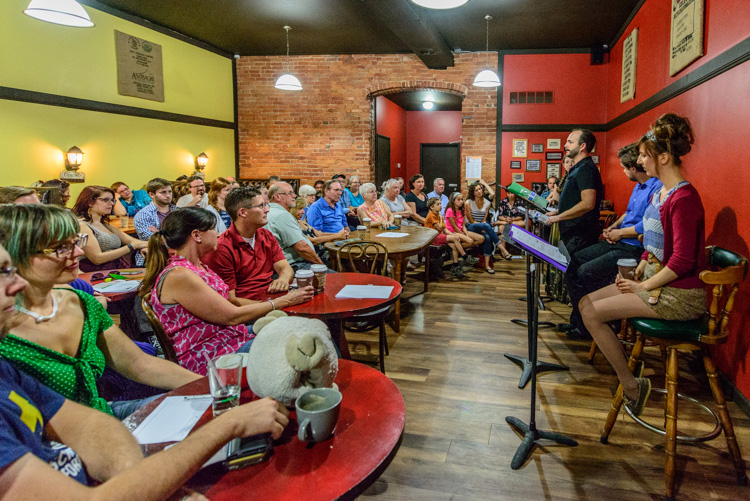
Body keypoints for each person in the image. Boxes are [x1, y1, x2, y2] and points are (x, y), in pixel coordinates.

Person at [0, 238, 290, 500]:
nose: (16, 284)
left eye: (77, 241)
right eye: (3, 272)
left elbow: (93, 421)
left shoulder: (77, 306)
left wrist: (143, 479)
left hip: (105, 419)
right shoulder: (8, 344)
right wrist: (229, 424)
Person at [0, 204, 199, 419]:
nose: (78, 252)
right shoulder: (6, 326)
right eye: (60, 247)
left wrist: (210, 386)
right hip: (47, 441)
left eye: (76, 242)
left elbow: (140, 364)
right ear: (14, 254)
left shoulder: (82, 302)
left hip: (100, 414)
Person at [579, 113, 705, 417]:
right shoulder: (661, 192)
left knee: (594, 314)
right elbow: (654, 239)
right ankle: (631, 375)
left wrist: (642, 285)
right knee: (585, 304)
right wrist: (643, 263)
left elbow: (683, 260)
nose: (640, 161)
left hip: (678, 295)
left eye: (645, 155)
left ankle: (632, 387)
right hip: (654, 281)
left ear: (663, 157)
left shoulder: (684, 198)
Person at [140, 207, 313, 375]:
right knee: (305, 341)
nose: (218, 234)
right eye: (213, 229)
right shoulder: (179, 274)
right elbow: (231, 316)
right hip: (209, 355)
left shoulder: (197, 266)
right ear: (196, 235)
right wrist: (283, 301)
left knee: (303, 330)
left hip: (230, 339)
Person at [565, 142, 663, 339]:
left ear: (633, 169)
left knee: (586, 272)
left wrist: (622, 233)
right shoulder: (638, 187)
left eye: (624, 167)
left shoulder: (656, 187)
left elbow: (649, 224)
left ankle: (597, 321)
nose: (624, 170)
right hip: (621, 240)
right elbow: (628, 213)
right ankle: (579, 320)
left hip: (634, 248)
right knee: (573, 261)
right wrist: (614, 227)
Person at [546, 129, 604, 338]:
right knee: (573, 279)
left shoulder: (587, 168)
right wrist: (558, 211)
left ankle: (585, 328)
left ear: (582, 146)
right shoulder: (578, 168)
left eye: (570, 141)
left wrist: (560, 217)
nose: (565, 144)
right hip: (572, 232)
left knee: (577, 278)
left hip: (580, 233)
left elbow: (588, 203)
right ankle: (577, 322)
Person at [203, 187, 297, 303]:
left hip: (272, 299)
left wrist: (283, 279)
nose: (267, 210)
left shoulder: (265, 235)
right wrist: (275, 305)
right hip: (250, 311)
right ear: (243, 212)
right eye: (261, 206)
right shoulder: (222, 248)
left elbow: (285, 267)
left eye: (266, 205)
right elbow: (230, 300)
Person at [73, 186, 148, 272]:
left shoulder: (105, 224)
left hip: (116, 269)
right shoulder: (82, 226)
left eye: (112, 200)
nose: (112, 204)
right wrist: (131, 247)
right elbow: (97, 259)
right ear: (90, 202)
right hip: (96, 273)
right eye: (106, 200)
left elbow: (133, 241)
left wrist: (158, 244)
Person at [267, 182, 325, 270]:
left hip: (288, 265)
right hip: (295, 265)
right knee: (336, 278)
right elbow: (302, 248)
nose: (294, 196)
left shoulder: (270, 211)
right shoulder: (282, 215)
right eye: (290, 193)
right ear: (278, 196)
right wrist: (321, 266)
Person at [424, 197, 477, 278]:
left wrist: (452, 235)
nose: (440, 206)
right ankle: (465, 256)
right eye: (438, 204)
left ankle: (455, 266)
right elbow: (439, 228)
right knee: (455, 239)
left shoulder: (438, 215)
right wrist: (441, 218)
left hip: (440, 236)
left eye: (440, 204)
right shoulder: (431, 215)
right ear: (432, 207)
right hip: (433, 237)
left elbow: (445, 229)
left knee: (454, 245)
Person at [444, 192, 486, 272]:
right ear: (453, 201)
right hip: (453, 232)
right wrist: (463, 235)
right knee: (470, 241)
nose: (461, 201)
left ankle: (458, 247)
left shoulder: (462, 210)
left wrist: (466, 233)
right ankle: (465, 256)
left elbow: (463, 225)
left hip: (461, 231)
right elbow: (454, 226)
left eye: (462, 199)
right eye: (458, 200)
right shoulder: (450, 210)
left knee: (481, 238)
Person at [465, 181, 501, 266]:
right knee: (486, 225)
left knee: (487, 237)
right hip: (471, 227)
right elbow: (471, 221)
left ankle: (487, 265)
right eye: (476, 190)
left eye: (480, 189)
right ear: (473, 192)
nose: (479, 191)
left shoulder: (487, 202)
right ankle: (501, 247)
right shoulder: (468, 202)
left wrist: (484, 183)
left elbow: (484, 220)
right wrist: (483, 227)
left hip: (482, 226)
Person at [492, 190, 525, 260]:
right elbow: (500, 216)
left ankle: (499, 222)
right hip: (506, 221)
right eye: (509, 193)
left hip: (516, 221)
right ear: (507, 193)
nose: (511, 195)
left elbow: (521, 216)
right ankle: (504, 252)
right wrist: (506, 220)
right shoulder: (503, 202)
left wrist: (512, 220)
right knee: (501, 228)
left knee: (523, 223)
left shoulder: (520, 202)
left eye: (512, 193)